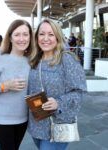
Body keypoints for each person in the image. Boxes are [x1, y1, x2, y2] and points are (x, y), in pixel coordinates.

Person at [27, 19, 87, 150]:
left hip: (58, 124)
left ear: (58, 37)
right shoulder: (34, 60)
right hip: (37, 124)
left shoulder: (67, 59)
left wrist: (58, 103)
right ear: (37, 37)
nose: (45, 38)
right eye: (42, 34)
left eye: (51, 34)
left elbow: (79, 92)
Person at [0, 19, 34, 150]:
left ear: (30, 37)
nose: (22, 39)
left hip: (23, 119)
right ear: (10, 37)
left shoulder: (30, 59)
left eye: (25, 34)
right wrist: (4, 86)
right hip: (1, 120)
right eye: (17, 34)